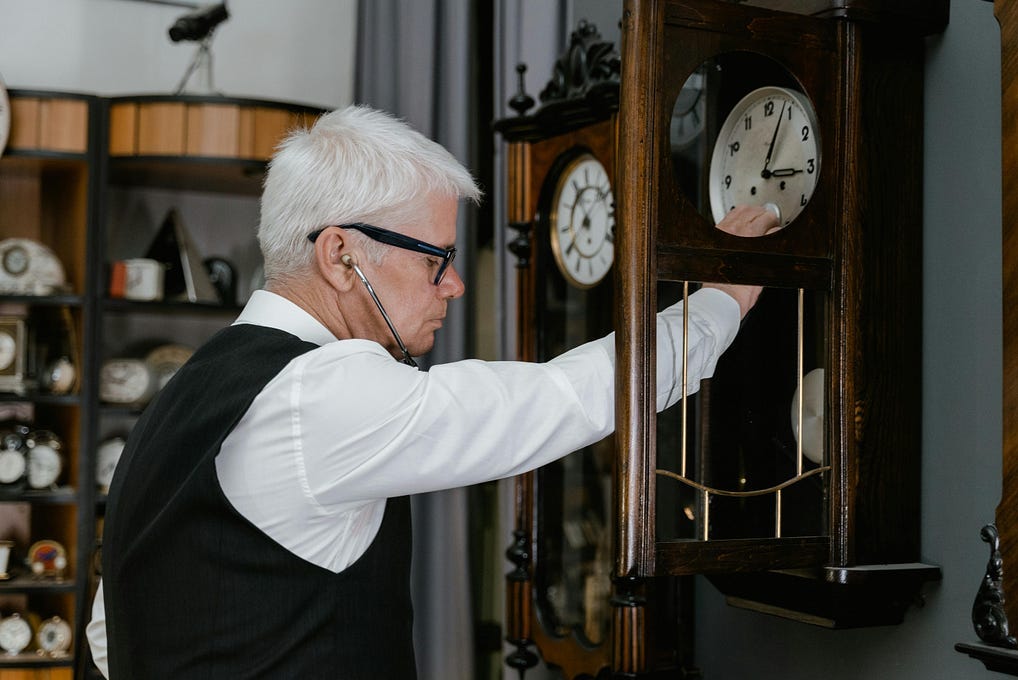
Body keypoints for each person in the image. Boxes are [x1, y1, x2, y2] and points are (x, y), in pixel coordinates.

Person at [86, 104, 778, 679]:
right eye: (435, 259)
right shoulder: (317, 394)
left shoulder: (181, 397)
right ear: (339, 254)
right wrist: (718, 300)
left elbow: (108, 633)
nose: (454, 284)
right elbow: (557, 400)